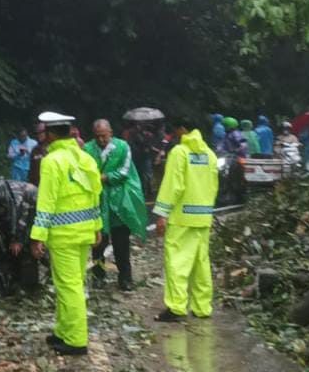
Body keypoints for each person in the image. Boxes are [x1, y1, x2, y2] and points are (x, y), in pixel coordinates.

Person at [30, 112, 103, 356]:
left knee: (68, 286)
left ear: (50, 135)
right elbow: (95, 195)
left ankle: (75, 340)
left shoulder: (52, 161)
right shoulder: (85, 158)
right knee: (71, 283)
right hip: (84, 233)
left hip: (64, 234)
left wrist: (37, 236)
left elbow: (46, 201)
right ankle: (63, 331)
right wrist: (97, 226)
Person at [153, 117, 219, 322]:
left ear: (182, 129)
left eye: (175, 131)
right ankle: (202, 307)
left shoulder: (180, 153)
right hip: (203, 216)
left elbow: (173, 184)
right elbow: (214, 185)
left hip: (182, 217)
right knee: (201, 264)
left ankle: (176, 308)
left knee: (177, 263)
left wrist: (162, 213)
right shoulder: (209, 155)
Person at [85, 120, 148, 291]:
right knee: (98, 243)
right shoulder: (87, 149)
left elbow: (124, 171)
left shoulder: (123, 147)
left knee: (121, 243)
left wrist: (104, 178)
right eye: (97, 137)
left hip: (119, 203)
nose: (101, 140)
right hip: (97, 202)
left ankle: (125, 278)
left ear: (110, 133)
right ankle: (98, 277)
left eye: (104, 136)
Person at [28, 122, 48, 187]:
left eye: (41, 132)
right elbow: (31, 172)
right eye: (37, 133)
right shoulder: (35, 150)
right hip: (37, 186)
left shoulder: (54, 148)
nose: (39, 135)